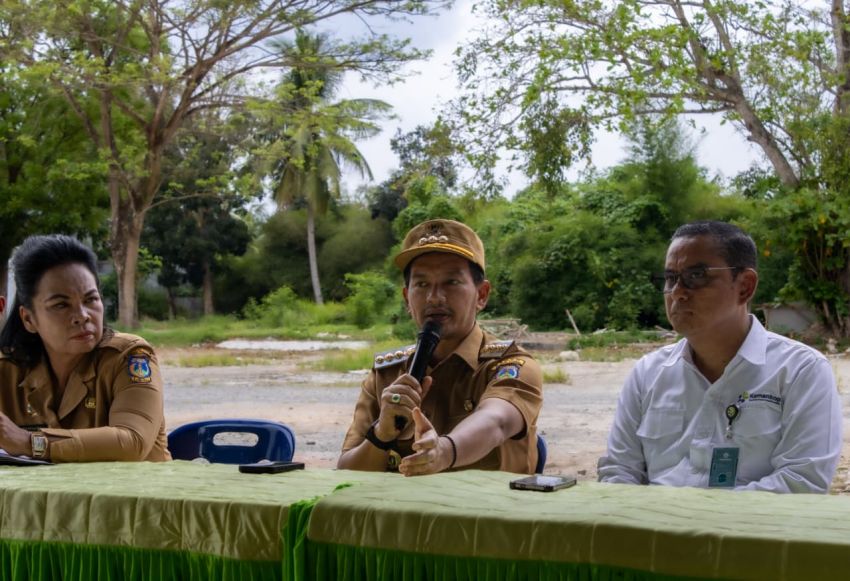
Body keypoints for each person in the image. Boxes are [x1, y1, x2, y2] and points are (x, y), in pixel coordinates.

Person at [598, 220, 841, 493]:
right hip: (657, 532)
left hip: (751, 534)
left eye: (696, 276)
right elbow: (619, 471)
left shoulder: (800, 371)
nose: (677, 292)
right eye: (670, 278)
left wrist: (693, 520)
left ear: (745, 287)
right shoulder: (647, 373)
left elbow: (802, 481)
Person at [338, 219, 543, 475]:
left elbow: (496, 422)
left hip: (487, 512)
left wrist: (443, 452)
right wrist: (381, 434)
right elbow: (347, 472)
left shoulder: (510, 365)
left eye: (451, 282)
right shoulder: (387, 375)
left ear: (482, 295)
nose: (434, 297)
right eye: (422, 284)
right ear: (406, 299)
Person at [0, 235, 171, 462]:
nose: (82, 316)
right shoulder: (8, 369)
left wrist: (29, 442)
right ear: (29, 319)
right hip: (48, 498)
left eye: (91, 300)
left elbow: (132, 441)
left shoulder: (129, 356)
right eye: (61, 305)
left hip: (134, 496)